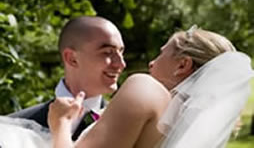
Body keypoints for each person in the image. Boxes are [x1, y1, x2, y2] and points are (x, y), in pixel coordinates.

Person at [48, 26, 254, 148]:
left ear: (182, 64)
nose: (151, 63)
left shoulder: (146, 90)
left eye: (162, 53)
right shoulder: (188, 127)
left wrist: (61, 123)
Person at [9, 16, 126, 140]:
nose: (121, 64)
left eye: (121, 52)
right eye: (107, 52)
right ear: (72, 59)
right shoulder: (12, 128)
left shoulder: (128, 124)